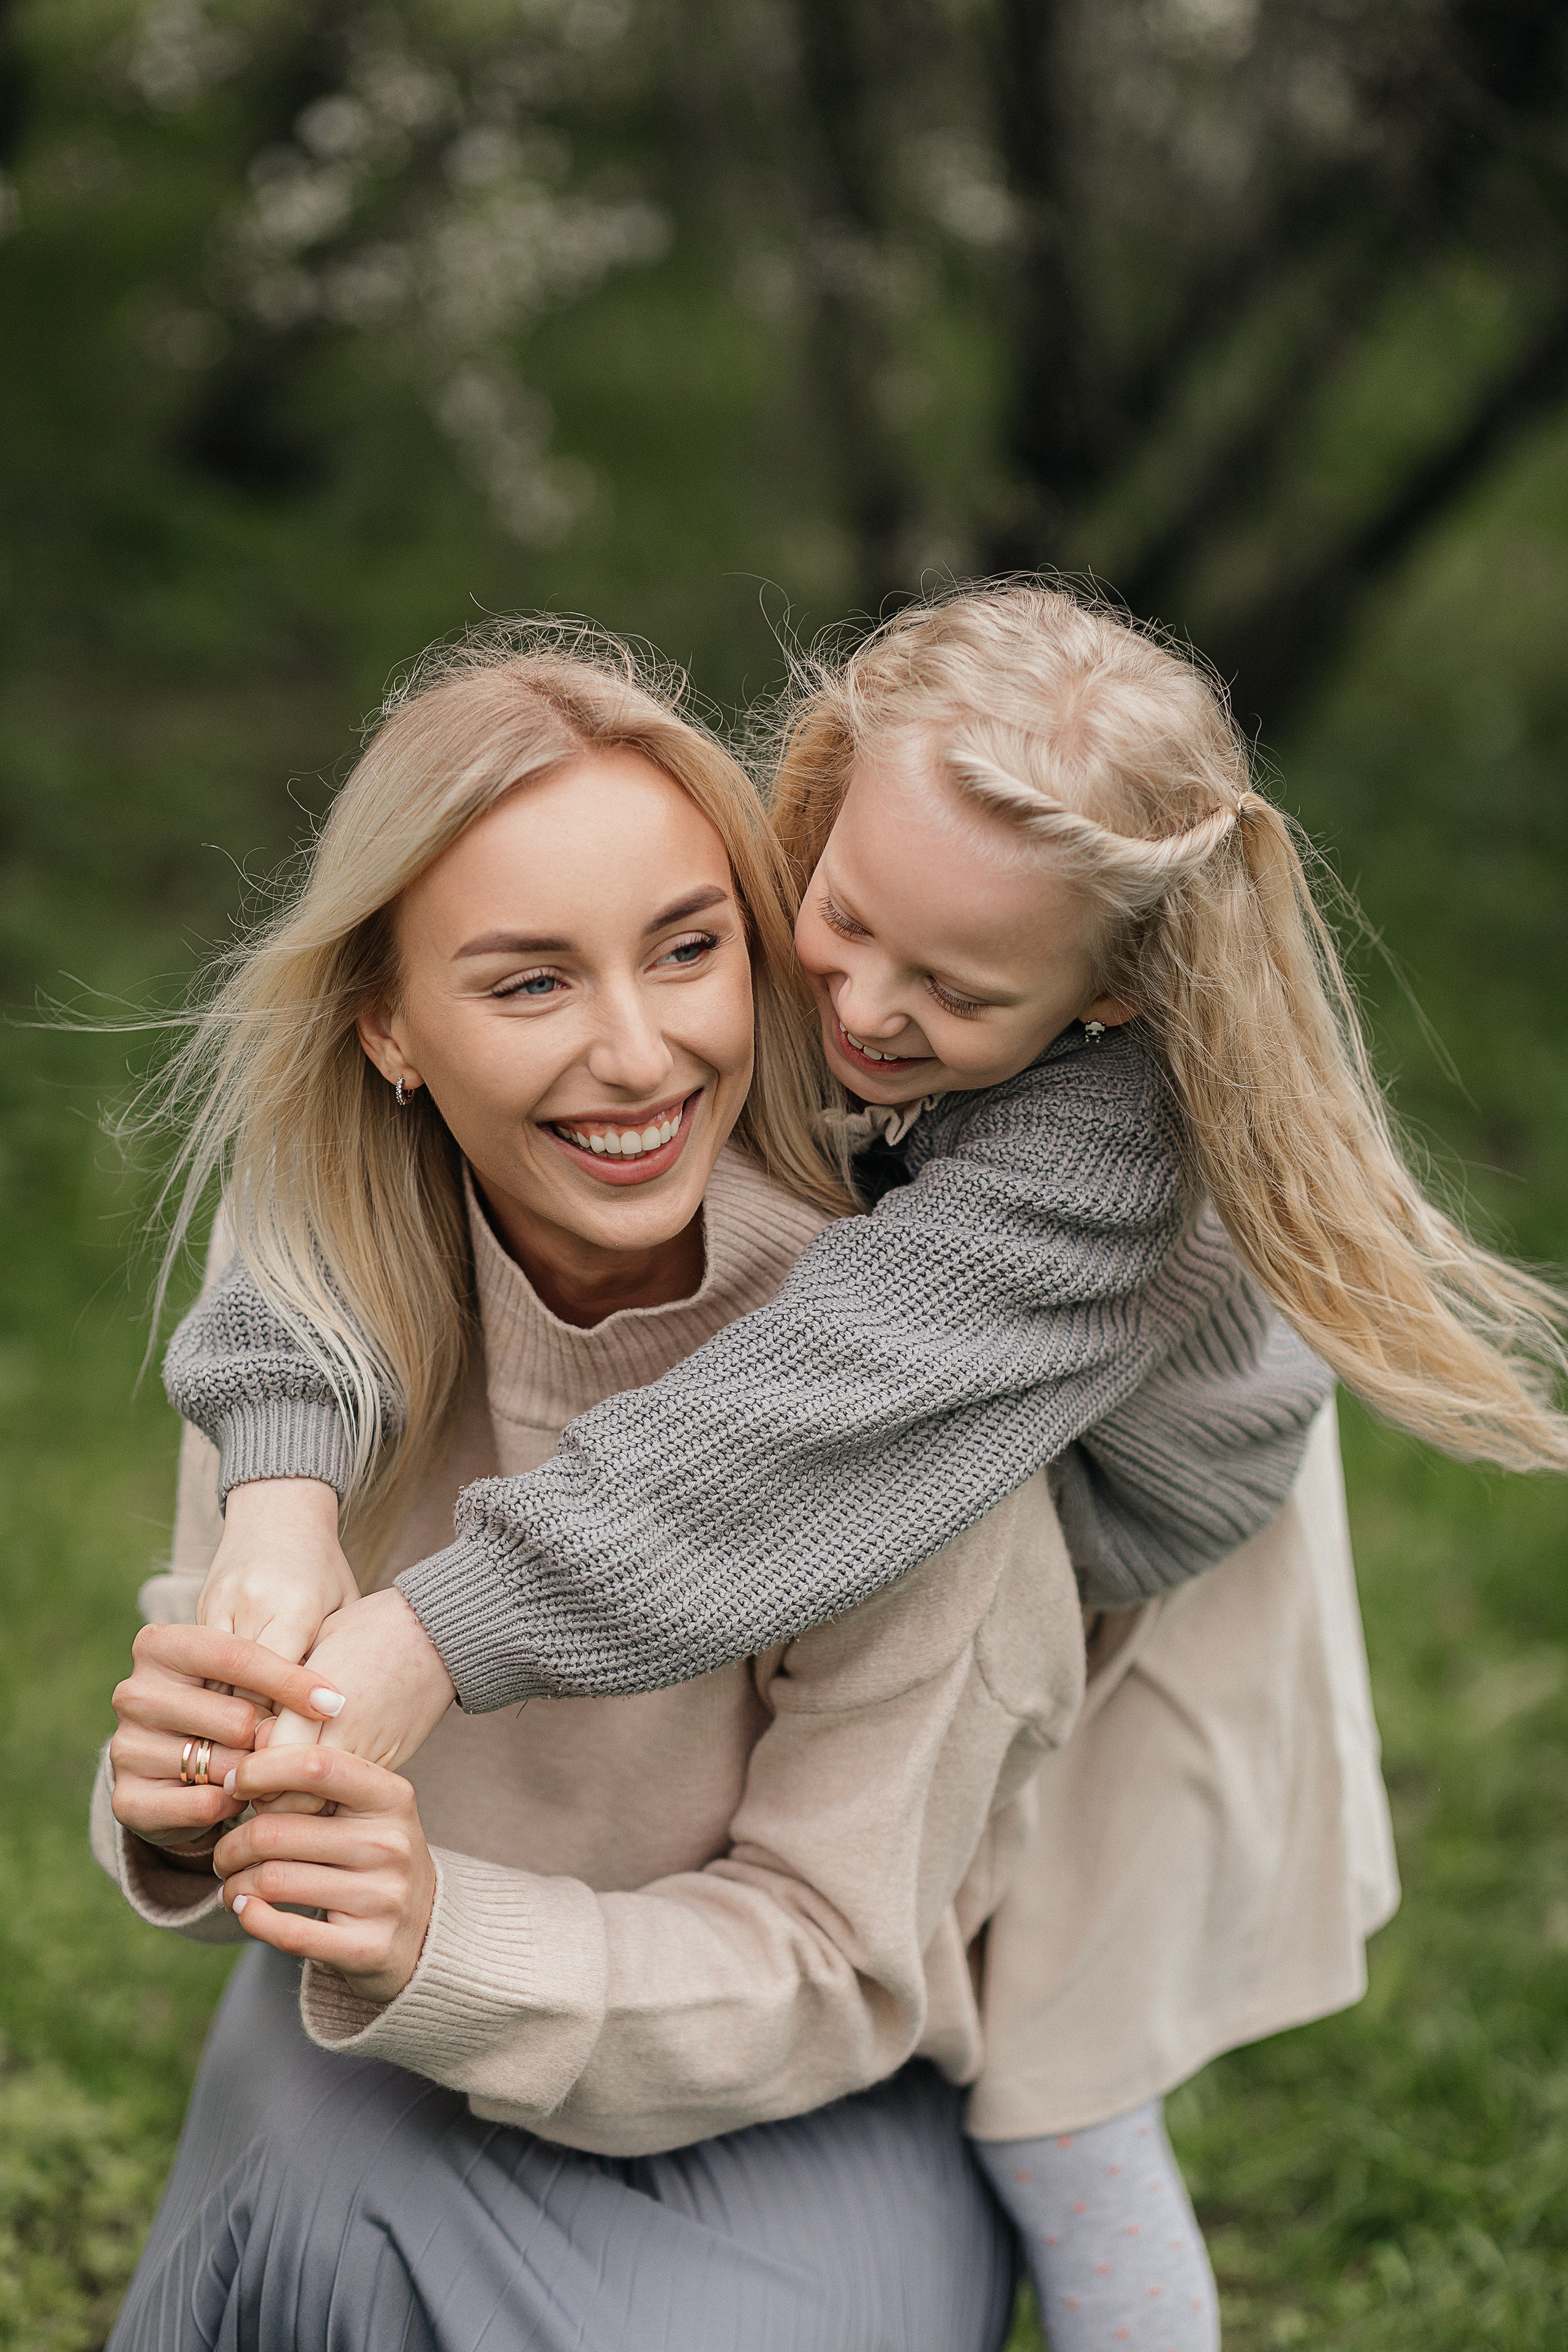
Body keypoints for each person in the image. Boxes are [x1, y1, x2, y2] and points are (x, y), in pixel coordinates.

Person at [152, 589, 1567, 2336]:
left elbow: (803, 1422)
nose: (863, 1011)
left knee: (1060, 2081)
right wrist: (283, 1488)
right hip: (904, 1423)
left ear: (1118, 991)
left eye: (955, 990)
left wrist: (424, 1634)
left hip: (1140, 1545)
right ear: (815, 803)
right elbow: (304, 1208)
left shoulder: (1106, 1154)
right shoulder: (781, 961)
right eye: (838, 924)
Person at [97, 638, 1093, 2351]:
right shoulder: (309, 1362)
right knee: (319, 2245)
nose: (638, 1055)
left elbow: (838, 1960)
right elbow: (248, 1798)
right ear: (389, 1029)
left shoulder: (893, 1389)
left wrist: (448, 1936)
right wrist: (190, 1805)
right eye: (529, 983)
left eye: (688, 951)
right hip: (389, 2062)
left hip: (800, 2098)